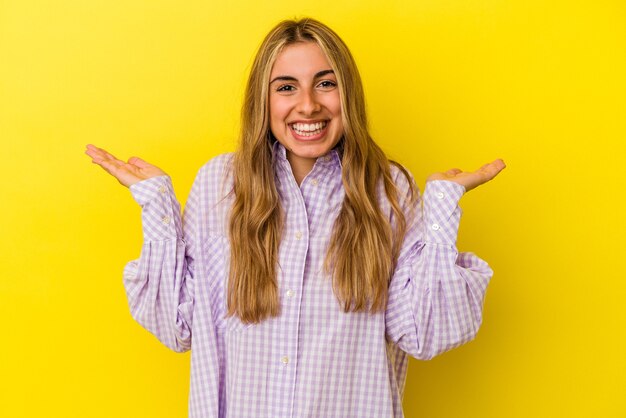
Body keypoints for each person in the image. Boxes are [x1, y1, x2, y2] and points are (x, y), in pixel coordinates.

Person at [85, 17, 505, 418]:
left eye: (326, 83)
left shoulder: (389, 191)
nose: (308, 105)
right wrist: (156, 203)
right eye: (286, 87)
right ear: (263, 100)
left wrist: (441, 209)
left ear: (348, 95)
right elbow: (176, 325)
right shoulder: (219, 185)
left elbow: (427, 331)